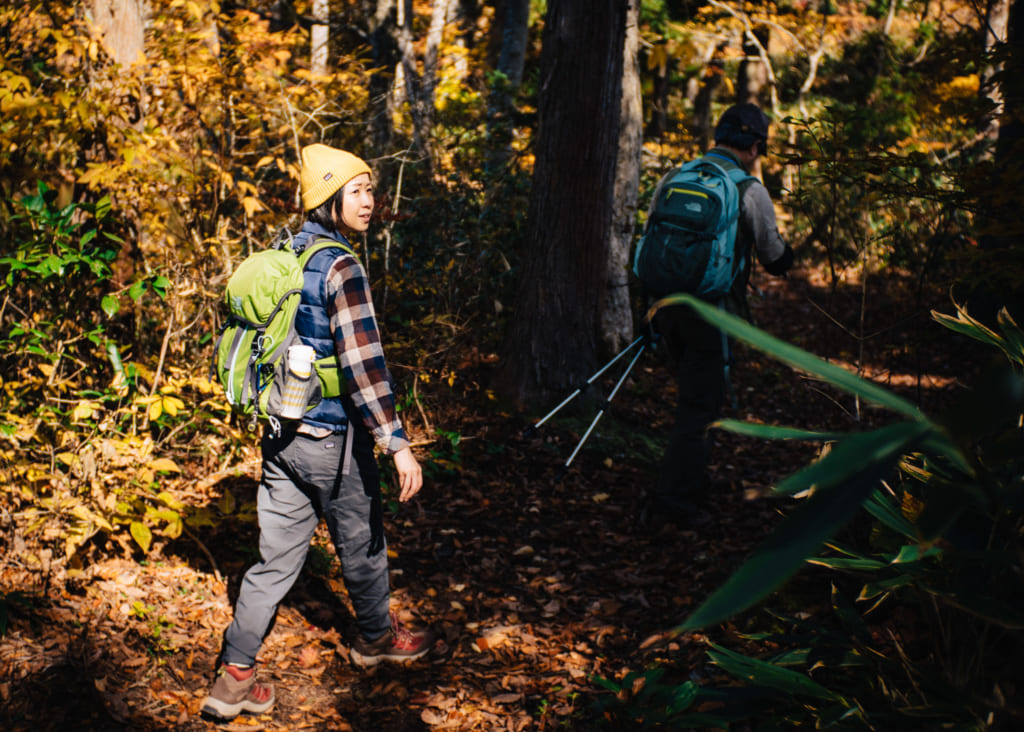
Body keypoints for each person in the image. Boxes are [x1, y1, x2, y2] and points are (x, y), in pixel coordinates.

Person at [201, 144, 434, 721]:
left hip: (284, 433)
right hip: (335, 441)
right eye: (355, 191)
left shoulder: (287, 252)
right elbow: (363, 364)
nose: (369, 201)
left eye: (371, 189)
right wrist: (396, 442)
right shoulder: (342, 267)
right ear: (328, 199)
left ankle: (234, 677)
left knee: (273, 561)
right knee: (362, 542)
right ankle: (376, 639)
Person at [644, 103, 794, 527]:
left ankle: (689, 481)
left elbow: (653, 237)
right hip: (709, 312)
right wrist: (789, 259)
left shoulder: (676, 176)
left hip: (665, 304)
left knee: (692, 398)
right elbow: (773, 256)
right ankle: (674, 503)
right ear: (755, 147)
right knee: (699, 406)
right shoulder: (749, 188)